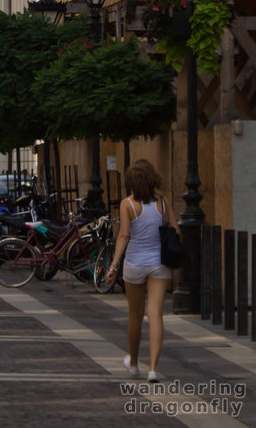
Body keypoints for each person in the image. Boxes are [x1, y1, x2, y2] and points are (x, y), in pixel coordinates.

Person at [105, 159, 179, 382]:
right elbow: (175, 229)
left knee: (135, 316)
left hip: (135, 264)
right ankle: (154, 369)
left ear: (131, 181)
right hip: (159, 264)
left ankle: (135, 363)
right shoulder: (163, 203)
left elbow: (124, 236)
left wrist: (113, 265)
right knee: (156, 315)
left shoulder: (127, 204)